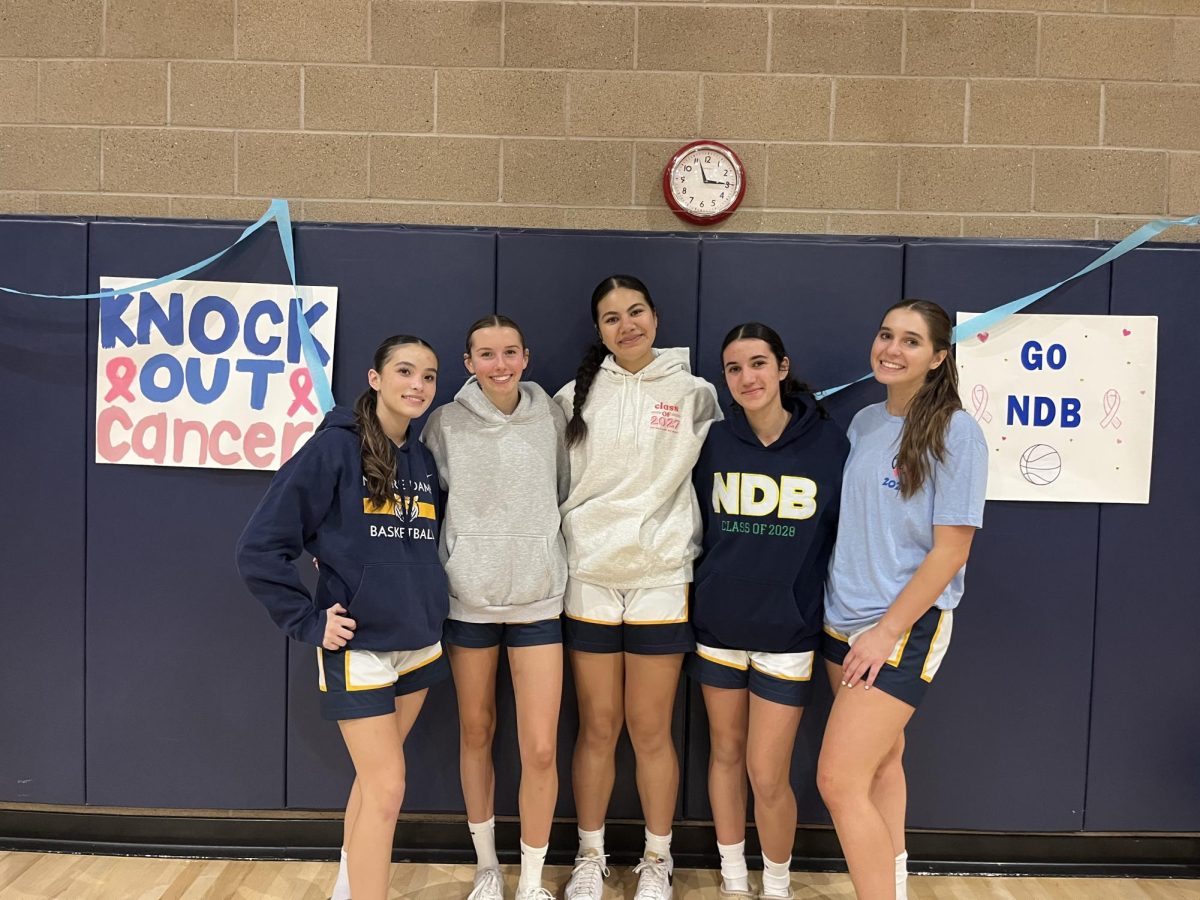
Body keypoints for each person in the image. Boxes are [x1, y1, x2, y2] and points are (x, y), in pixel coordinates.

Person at [236, 335, 449, 900]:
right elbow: (259, 548)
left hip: (420, 643)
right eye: (405, 371)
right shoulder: (333, 449)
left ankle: (348, 888)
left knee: (376, 784)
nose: (417, 386)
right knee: (387, 788)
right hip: (360, 648)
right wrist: (309, 620)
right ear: (375, 379)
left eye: (428, 376)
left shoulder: (422, 458)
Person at [554, 274, 721, 900]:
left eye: (636, 312)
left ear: (656, 315)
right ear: (597, 330)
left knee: (650, 729)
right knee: (598, 727)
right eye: (611, 317)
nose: (626, 325)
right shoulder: (572, 396)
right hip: (590, 576)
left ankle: (658, 857)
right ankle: (590, 856)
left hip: (659, 577)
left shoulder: (696, 393)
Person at [817, 300, 988, 900]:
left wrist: (887, 631)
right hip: (843, 623)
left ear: (939, 357)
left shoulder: (957, 432)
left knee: (838, 782)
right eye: (886, 334)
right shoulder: (864, 422)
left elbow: (951, 552)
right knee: (883, 765)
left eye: (912, 341)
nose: (892, 348)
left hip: (900, 629)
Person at [688, 323, 849, 900]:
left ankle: (776, 884)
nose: (747, 377)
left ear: (782, 368)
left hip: (788, 634)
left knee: (766, 771)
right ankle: (734, 881)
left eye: (758, 364)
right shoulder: (712, 440)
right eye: (734, 368)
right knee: (725, 757)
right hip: (719, 629)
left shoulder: (829, 445)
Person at [421, 315, 568, 900]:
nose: (499, 364)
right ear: (468, 363)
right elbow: (425, 504)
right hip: (469, 603)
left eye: (510, 353)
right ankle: (488, 866)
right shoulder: (444, 425)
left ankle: (532, 878)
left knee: (540, 746)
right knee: (476, 731)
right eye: (486, 355)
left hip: (538, 601)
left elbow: (562, 492)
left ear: (526, 357)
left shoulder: (551, 418)